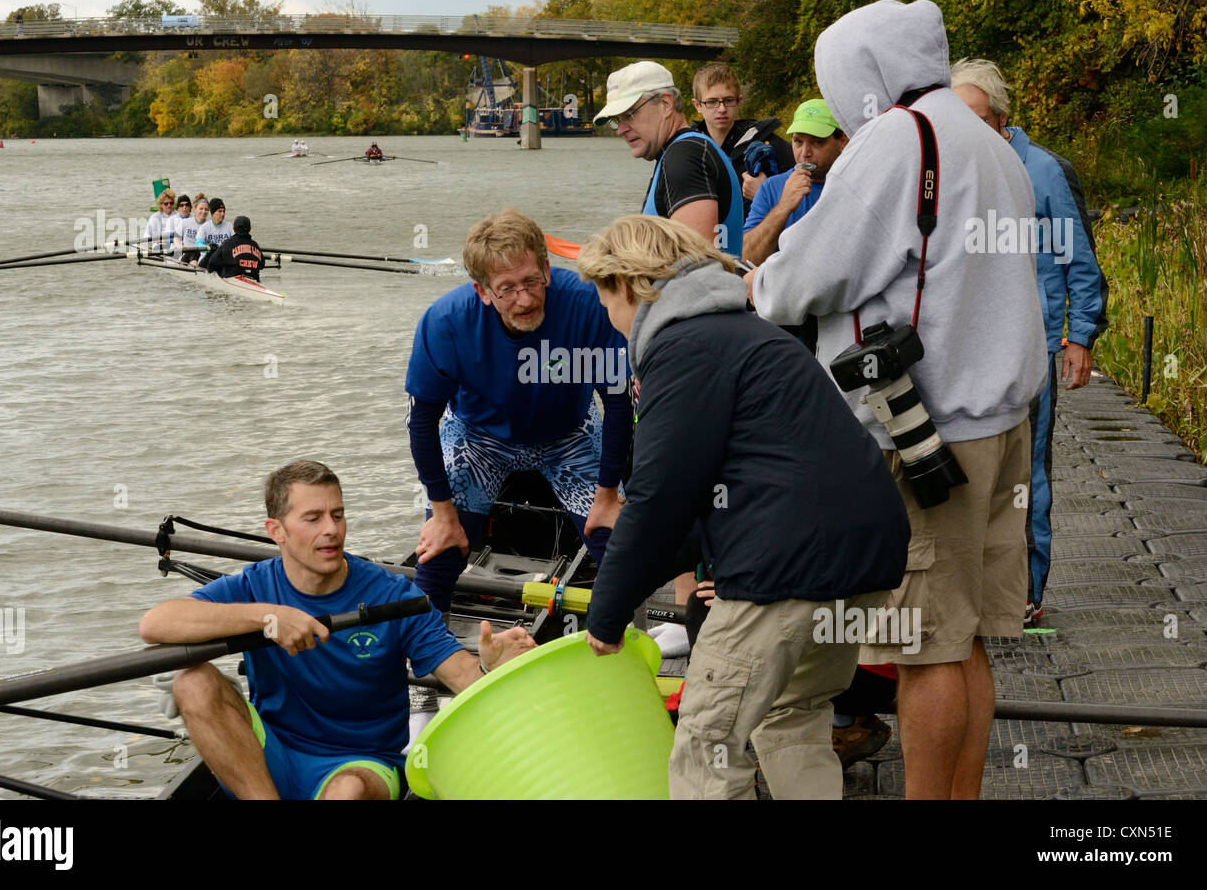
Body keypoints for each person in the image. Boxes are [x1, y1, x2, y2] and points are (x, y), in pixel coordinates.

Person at [748, 0, 1048, 800]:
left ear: (864, 72)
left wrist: (757, 283)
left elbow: (813, 274)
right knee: (968, 638)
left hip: (927, 435)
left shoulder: (895, 140)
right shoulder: (990, 144)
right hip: (1003, 423)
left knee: (923, 649)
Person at [578, 215, 909, 800]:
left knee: (707, 742)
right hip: (869, 550)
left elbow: (661, 496)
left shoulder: (681, 347)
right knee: (794, 714)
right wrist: (631, 586)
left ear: (627, 286)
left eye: (605, 298)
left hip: (786, 564)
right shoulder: (753, 332)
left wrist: (605, 614)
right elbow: (701, 503)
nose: (609, 318)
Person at [138, 460, 535, 800]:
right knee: (191, 681)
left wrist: (489, 669)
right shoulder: (254, 586)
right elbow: (156, 623)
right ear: (276, 530)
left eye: (338, 514)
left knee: (347, 793)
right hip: (271, 754)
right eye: (313, 518)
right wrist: (267, 617)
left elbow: (462, 676)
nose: (331, 530)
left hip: (361, 763)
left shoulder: (393, 595)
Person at [405, 208, 632, 619]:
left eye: (531, 281)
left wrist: (608, 495)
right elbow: (421, 422)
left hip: (569, 433)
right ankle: (427, 660)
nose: (525, 299)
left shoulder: (587, 303)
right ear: (482, 291)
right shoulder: (446, 323)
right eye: (507, 289)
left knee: (616, 544)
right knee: (440, 550)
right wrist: (441, 513)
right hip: (480, 435)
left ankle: (618, 640)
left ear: (547, 268)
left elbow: (617, 401)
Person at [951, 58, 1110, 626]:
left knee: (1028, 473)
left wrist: (1080, 335)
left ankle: (1026, 591)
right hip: (971, 346)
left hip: (1034, 347)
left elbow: (1080, 262)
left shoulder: (1043, 171)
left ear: (1001, 115)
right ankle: (978, 582)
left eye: (975, 116)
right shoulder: (957, 166)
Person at [593, 60, 743, 258]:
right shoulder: (687, 150)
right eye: (617, 120)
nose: (621, 129)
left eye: (629, 115)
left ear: (665, 104)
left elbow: (696, 267)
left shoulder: (685, 157)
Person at [742, 99, 849, 269]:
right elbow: (747, 258)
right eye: (798, 141)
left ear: (842, 141)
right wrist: (784, 207)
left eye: (817, 142)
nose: (804, 153)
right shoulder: (772, 187)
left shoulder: (855, 185)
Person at [687, 62, 793, 215]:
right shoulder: (687, 150)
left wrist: (765, 192)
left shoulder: (767, 146)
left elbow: (805, 195)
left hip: (752, 236)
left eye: (728, 100)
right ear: (697, 105)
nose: (722, 109)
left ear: (739, 101)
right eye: (712, 102)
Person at [206, 215, 265, 280]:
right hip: (253, 279)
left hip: (232, 280)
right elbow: (262, 265)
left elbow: (212, 262)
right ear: (249, 229)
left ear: (234, 229)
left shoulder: (227, 243)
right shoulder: (255, 245)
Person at [196, 197, 234, 264]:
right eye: (219, 211)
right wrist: (209, 248)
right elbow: (198, 244)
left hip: (223, 259)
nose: (223, 214)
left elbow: (236, 243)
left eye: (224, 211)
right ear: (213, 213)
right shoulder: (204, 227)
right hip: (207, 260)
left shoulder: (229, 226)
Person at [175, 194, 209, 263]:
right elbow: (176, 237)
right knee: (195, 252)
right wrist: (179, 245)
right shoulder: (185, 222)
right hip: (187, 254)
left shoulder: (210, 225)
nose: (204, 212)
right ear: (195, 209)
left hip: (204, 257)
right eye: (201, 209)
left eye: (206, 209)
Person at [145, 189, 178, 254]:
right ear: (161, 205)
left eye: (171, 203)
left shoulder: (178, 216)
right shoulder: (154, 217)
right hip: (158, 246)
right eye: (166, 204)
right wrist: (153, 241)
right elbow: (146, 235)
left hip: (174, 245)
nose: (169, 205)